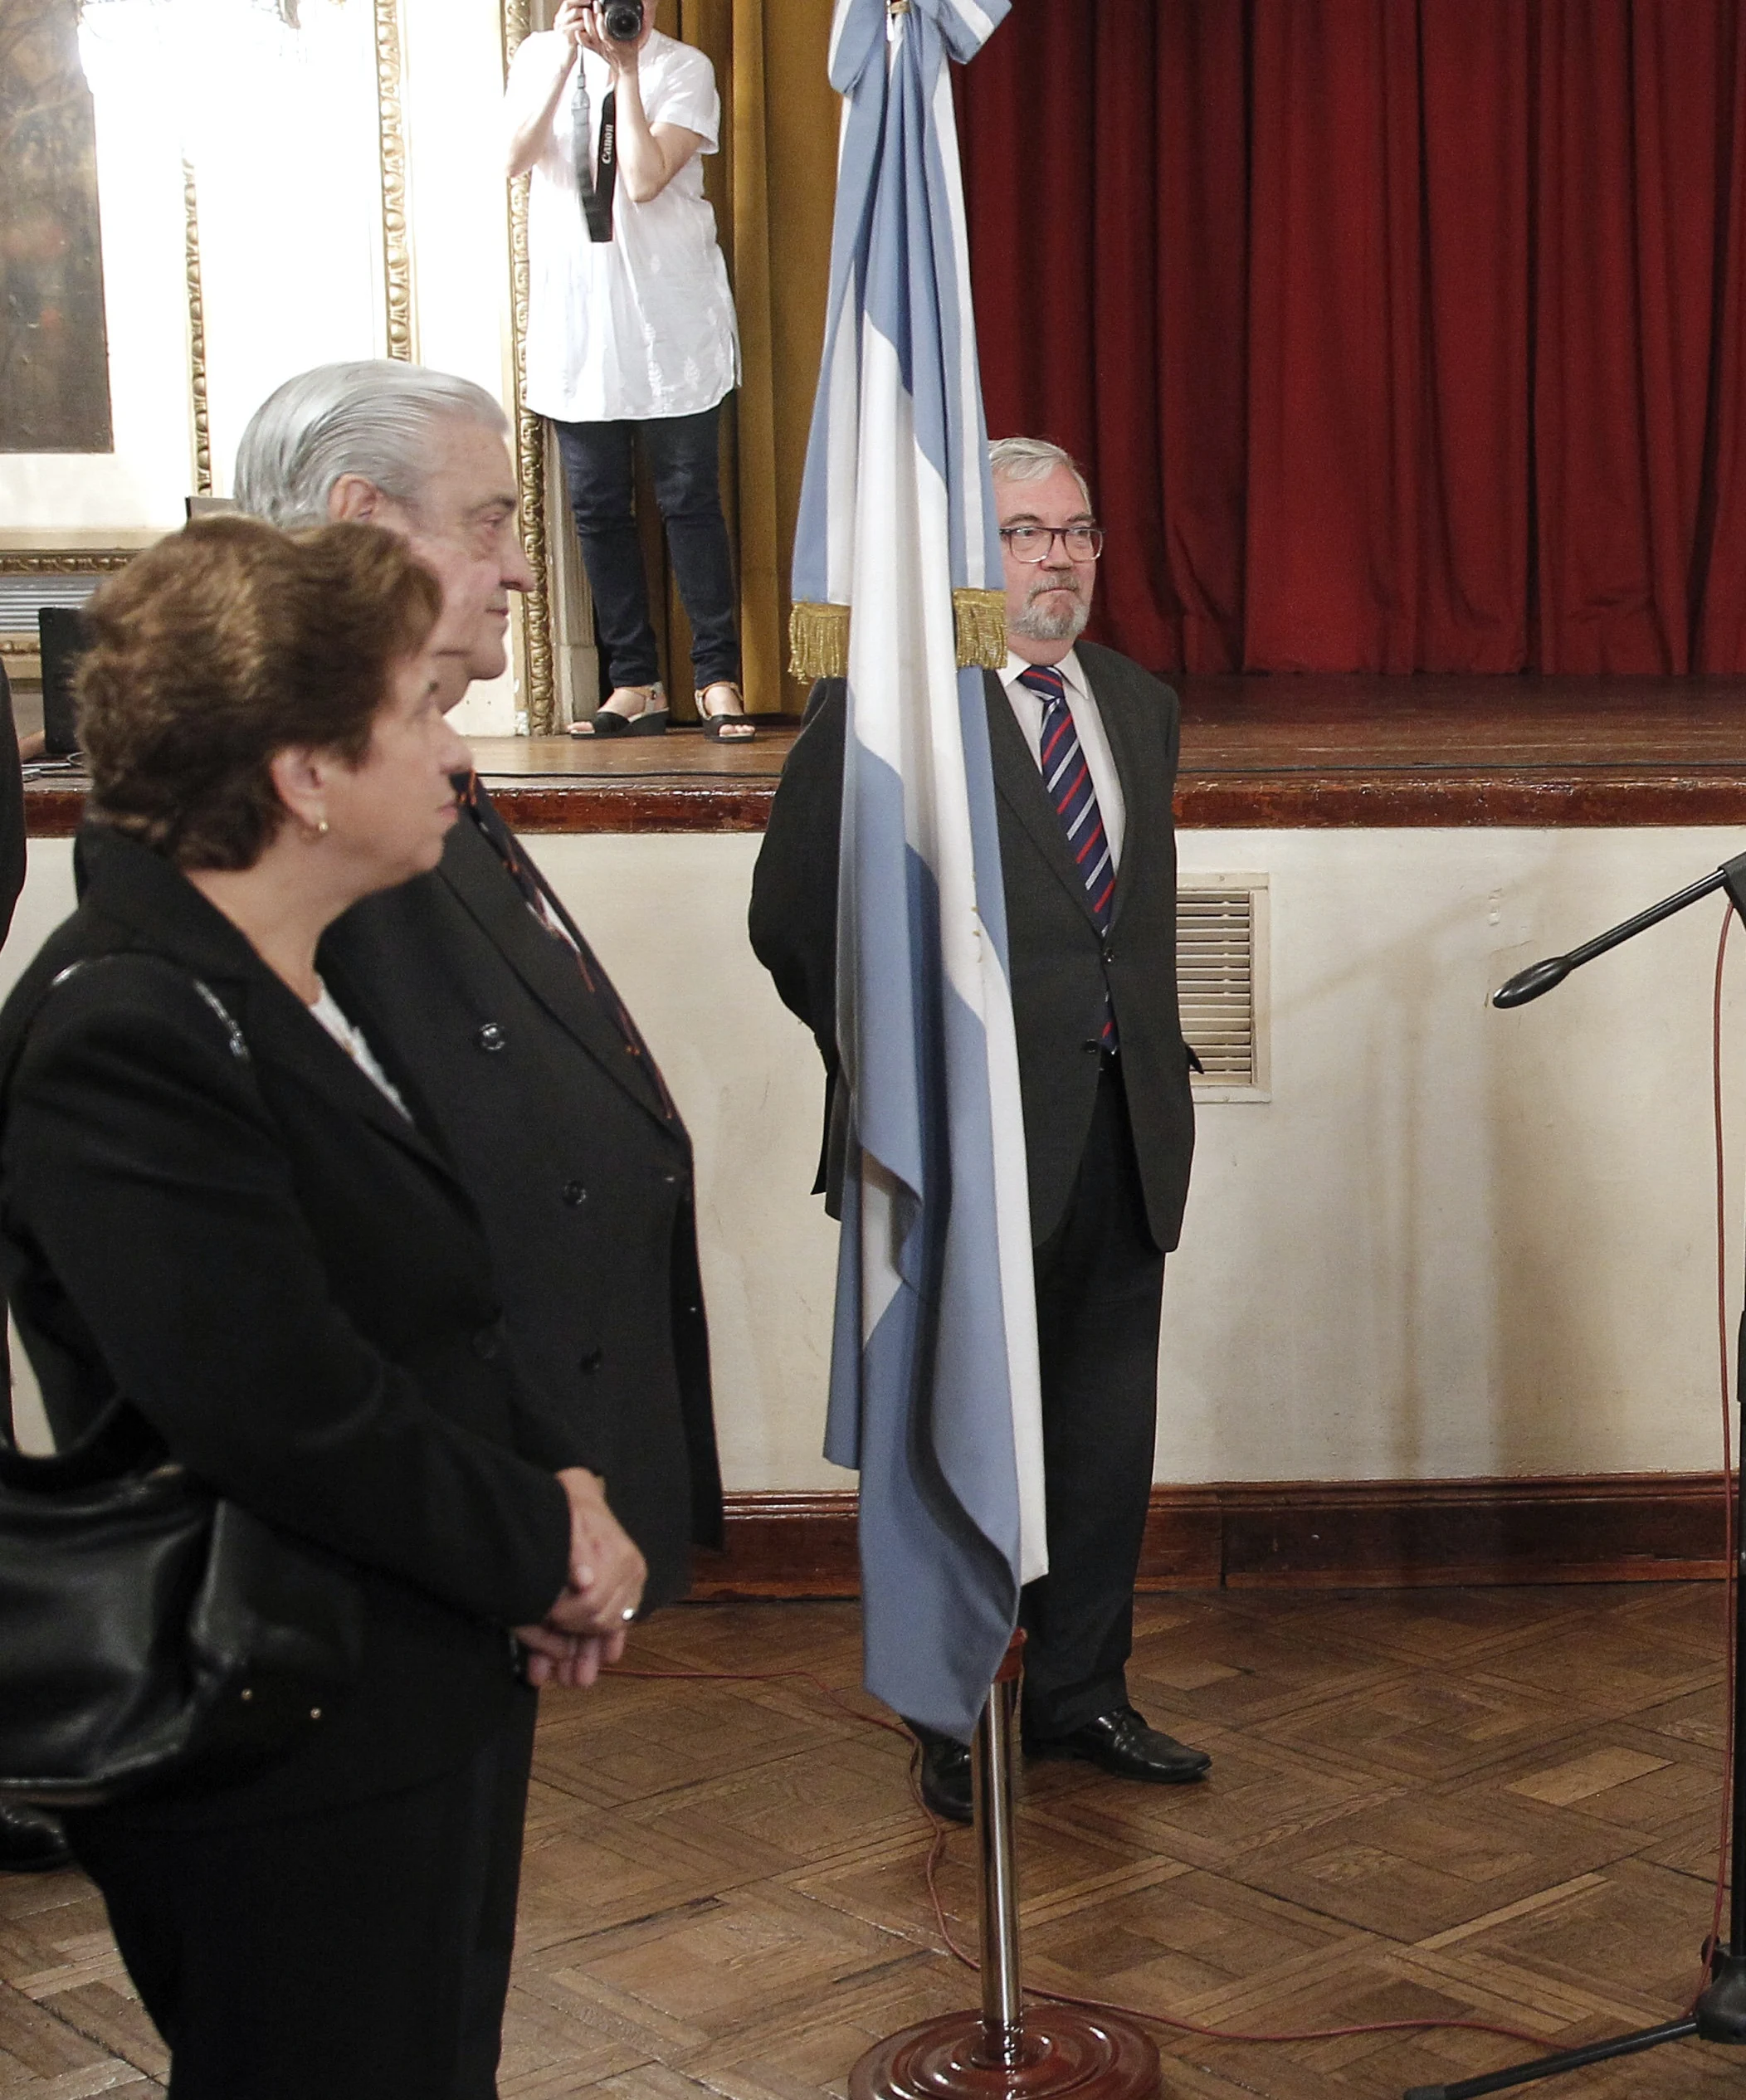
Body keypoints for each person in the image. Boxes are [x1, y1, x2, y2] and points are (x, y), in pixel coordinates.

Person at [0, 517, 645, 2093]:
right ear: (303, 773)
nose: (450, 744)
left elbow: (427, 1314)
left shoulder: (283, 975)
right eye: (414, 711)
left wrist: (551, 1484)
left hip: (402, 1677)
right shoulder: (126, 1029)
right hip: (278, 1734)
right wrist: (541, 1548)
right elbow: (284, 1407)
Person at [751, 437, 1203, 1823]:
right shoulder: (898, 711)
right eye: (1021, 533)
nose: (1057, 556)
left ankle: (1082, 1691)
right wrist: (897, 1077)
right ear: (969, 559)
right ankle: (950, 1709)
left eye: (1076, 532)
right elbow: (792, 917)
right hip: (961, 1150)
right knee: (958, 1434)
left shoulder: (1137, 703)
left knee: (1101, 1434)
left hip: (1123, 1129)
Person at [233, 358, 720, 1620]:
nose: (518, 566)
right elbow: (357, 1238)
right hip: (407, 1542)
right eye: (491, 521)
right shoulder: (294, 805)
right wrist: (518, 1501)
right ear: (360, 520)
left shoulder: (403, 751)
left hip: (518, 1475)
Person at [504, 0, 750, 740]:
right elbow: (512, 160)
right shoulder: (534, 61)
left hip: (667, 321)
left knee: (688, 499)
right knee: (598, 508)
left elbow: (642, 178)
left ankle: (717, 678)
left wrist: (628, 71)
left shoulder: (683, 67)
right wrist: (558, 64)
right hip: (581, 323)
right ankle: (633, 681)